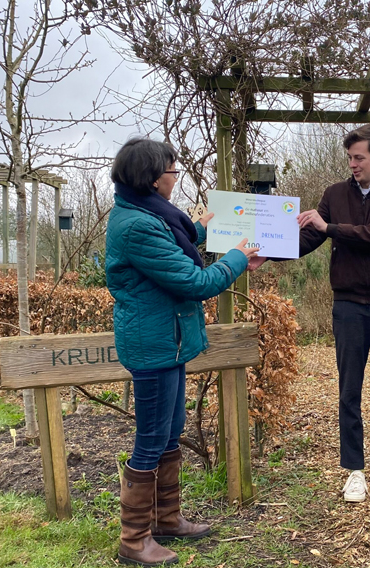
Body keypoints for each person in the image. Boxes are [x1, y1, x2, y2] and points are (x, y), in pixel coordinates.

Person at [249, 125, 370, 503]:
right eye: (349, 157)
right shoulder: (335, 193)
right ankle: (354, 471)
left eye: (359, 157)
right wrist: (268, 251)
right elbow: (310, 238)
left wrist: (329, 225)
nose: (352, 164)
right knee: (349, 390)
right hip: (348, 306)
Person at [106, 138, 259, 566]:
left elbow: (179, 237)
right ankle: (134, 539)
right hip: (153, 345)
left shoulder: (146, 211)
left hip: (166, 341)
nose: (176, 178)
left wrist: (209, 228)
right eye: (173, 172)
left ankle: (166, 519)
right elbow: (194, 282)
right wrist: (236, 259)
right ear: (154, 179)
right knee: (152, 437)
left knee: (169, 429)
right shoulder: (137, 225)